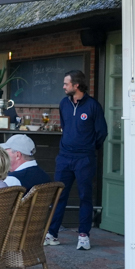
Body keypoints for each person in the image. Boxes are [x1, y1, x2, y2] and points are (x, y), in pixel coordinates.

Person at [46, 70, 107, 251]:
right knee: (59, 195)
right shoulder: (63, 103)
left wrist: (89, 148)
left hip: (84, 159)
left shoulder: (93, 106)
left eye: (66, 84)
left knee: (85, 197)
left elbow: (102, 132)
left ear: (76, 85)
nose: (63, 87)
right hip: (64, 157)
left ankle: (83, 236)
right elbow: (65, 127)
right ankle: (52, 233)